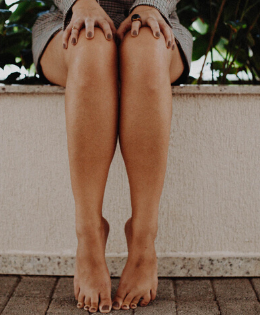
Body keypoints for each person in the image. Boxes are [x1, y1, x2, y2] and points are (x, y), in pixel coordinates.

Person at [31, 0, 193, 313]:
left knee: (147, 42)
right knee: (90, 40)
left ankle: (143, 236)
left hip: (159, 24)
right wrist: (80, 4)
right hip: (66, 22)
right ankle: (89, 234)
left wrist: (152, 5)